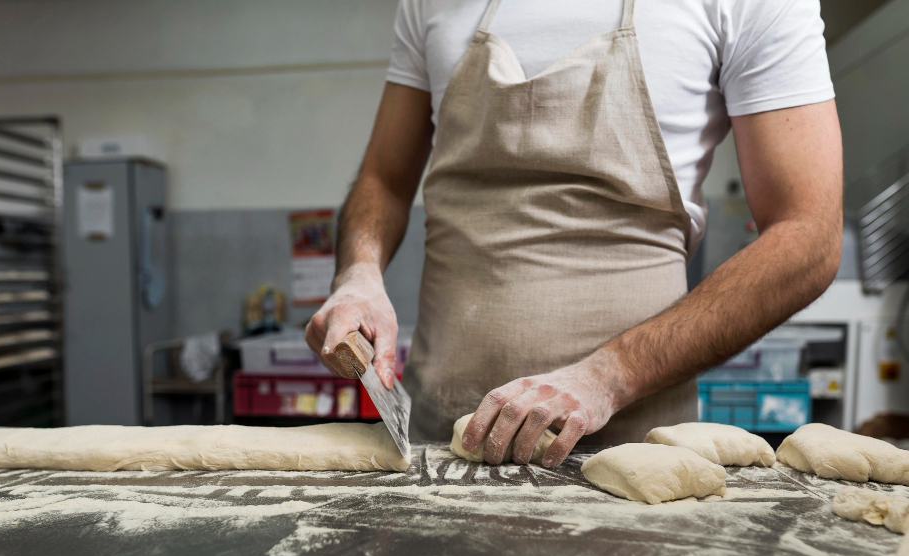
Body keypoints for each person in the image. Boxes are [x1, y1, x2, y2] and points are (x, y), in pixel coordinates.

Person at [306, 0, 842, 467]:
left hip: (628, 448)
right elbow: (383, 179)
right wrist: (359, 273)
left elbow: (808, 237)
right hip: (441, 438)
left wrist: (607, 377)